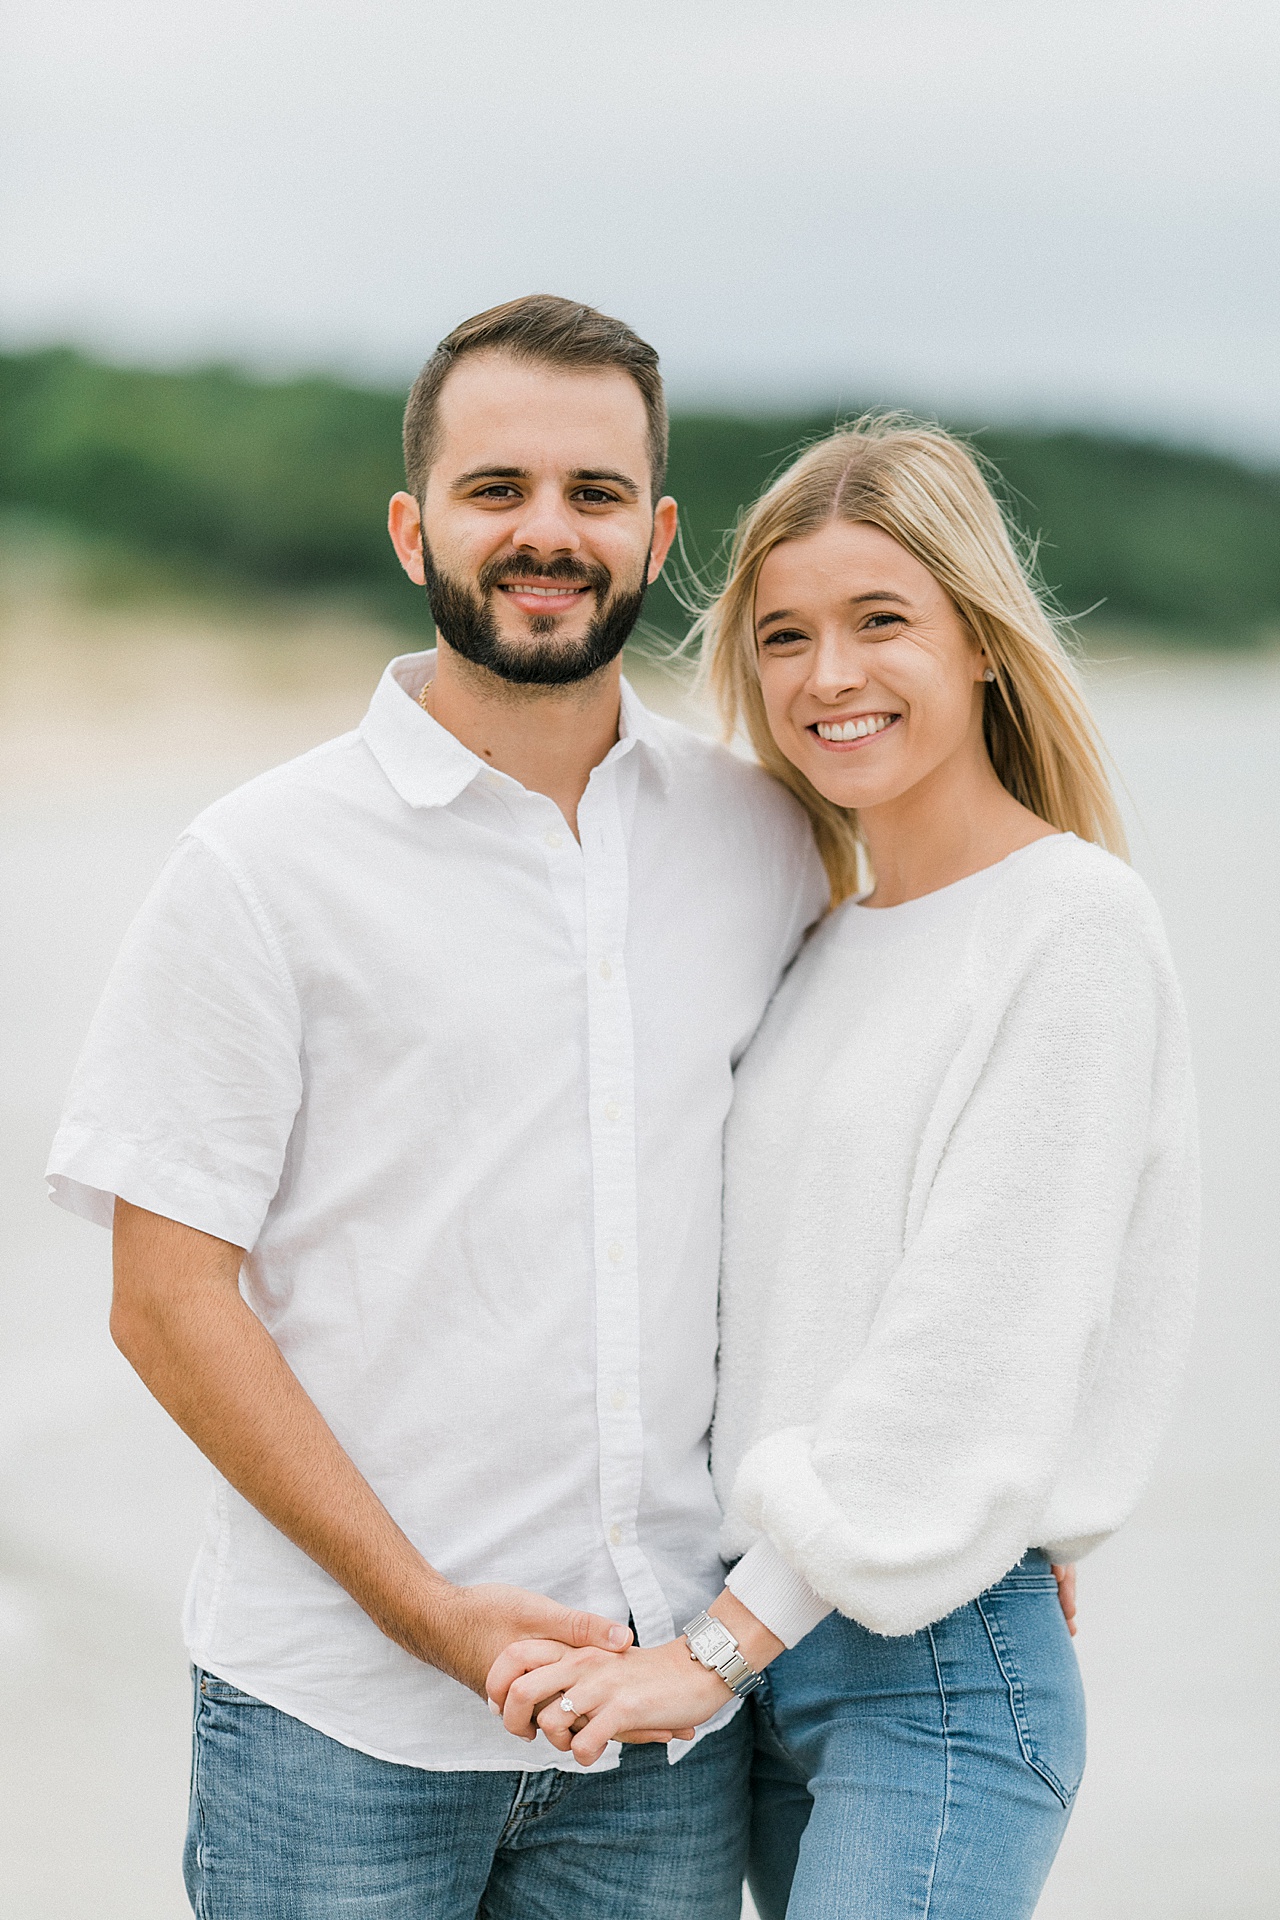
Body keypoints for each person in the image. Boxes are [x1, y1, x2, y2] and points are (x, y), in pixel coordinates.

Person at [44, 295, 830, 1920]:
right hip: (335, 1726)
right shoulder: (261, 867)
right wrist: (432, 1616)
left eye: (595, 495)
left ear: (658, 532)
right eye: (497, 490)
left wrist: (996, 1516)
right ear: (416, 527)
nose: (547, 532)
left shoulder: (764, 841)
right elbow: (165, 1300)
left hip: (659, 1732)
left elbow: (857, 1210)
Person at [488, 419, 1200, 1919]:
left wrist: (724, 1644)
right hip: (778, 1633)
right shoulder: (824, 938)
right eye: (786, 636)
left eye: (884, 622)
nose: (831, 677)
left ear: (984, 643)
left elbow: (977, 1343)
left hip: (919, 1665)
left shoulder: (1071, 925)